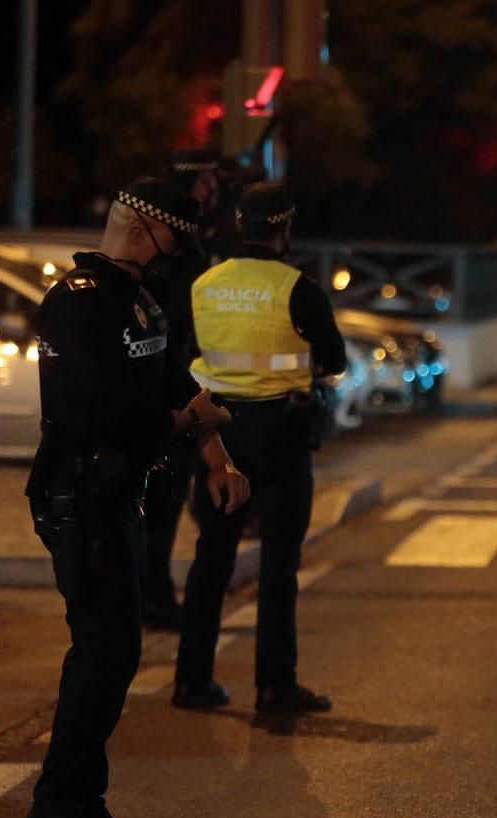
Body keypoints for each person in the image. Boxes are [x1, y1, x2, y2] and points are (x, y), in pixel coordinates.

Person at [22, 178, 252, 818]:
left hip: (118, 496)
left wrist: (216, 454)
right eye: (176, 238)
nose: (179, 253)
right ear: (141, 228)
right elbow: (103, 413)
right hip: (81, 499)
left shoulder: (137, 300)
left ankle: (84, 808)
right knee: (102, 652)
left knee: (113, 653)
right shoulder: (76, 306)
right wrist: (181, 426)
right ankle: (55, 808)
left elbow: (171, 377)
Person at [172, 182, 347, 715]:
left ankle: (191, 681)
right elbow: (335, 360)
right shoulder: (298, 288)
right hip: (280, 436)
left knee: (212, 557)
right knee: (278, 562)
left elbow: (182, 357)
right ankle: (275, 686)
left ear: (239, 226)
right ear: (285, 230)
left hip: (217, 435)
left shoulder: (205, 285)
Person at [139, 149, 225, 631]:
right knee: (163, 504)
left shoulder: (172, 240)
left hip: (169, 381)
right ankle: (152, 598)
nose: (214, 190)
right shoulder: (177, 248)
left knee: (159, 505)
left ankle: (149, 594)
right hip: (170, 387)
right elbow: (176, 324)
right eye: (209, 181)